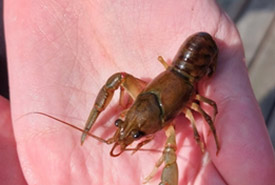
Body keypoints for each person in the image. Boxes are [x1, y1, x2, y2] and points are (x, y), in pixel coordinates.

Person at [2, 0, 275, 184]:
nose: (128, 132)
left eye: (135, 134)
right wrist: (131, 127)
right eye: (125, 124)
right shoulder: (139, 102)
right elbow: (118, 80)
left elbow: (201, 115)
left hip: (198, 53)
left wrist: (202, 134)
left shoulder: (175, 121)